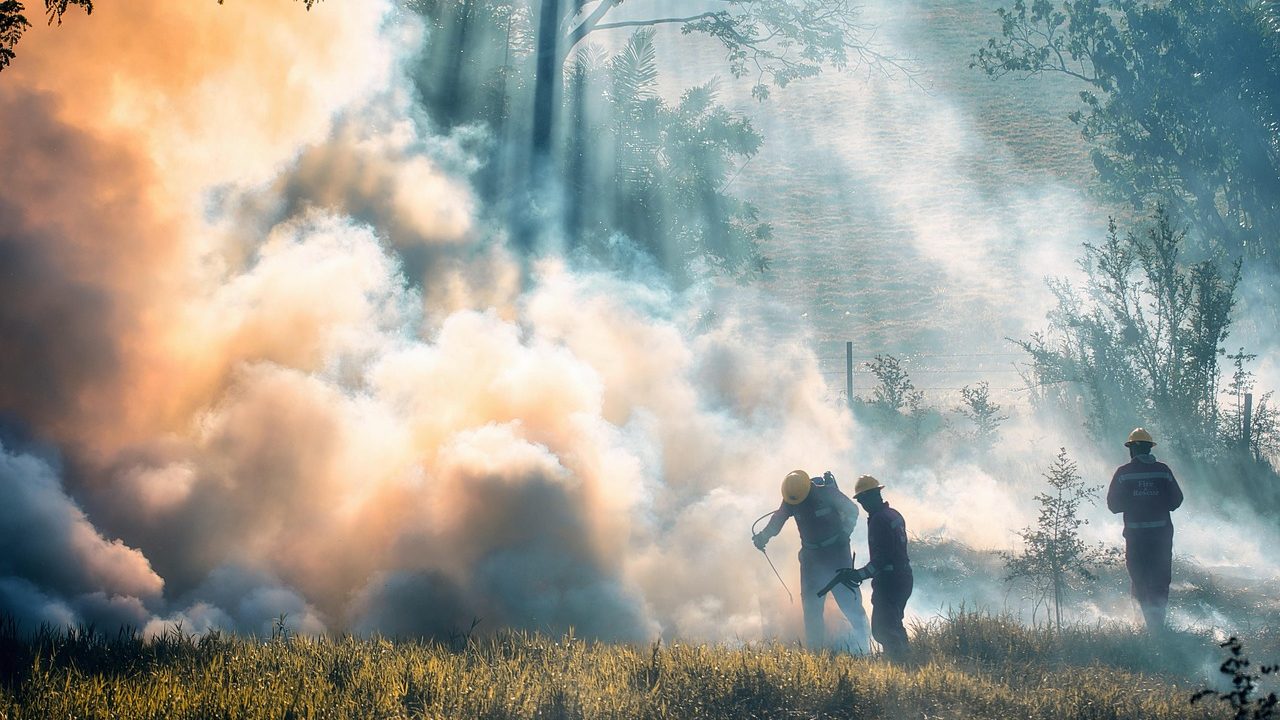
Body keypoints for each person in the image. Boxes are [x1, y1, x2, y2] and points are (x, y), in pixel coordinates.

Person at [753, 470, 870, 652]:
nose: (799, 504)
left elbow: (853, 510)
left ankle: (866, 647)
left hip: (838, 555)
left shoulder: (827, 493)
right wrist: (763, 537)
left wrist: (845, 532)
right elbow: (777, 520)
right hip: (811, 560)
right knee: (811, 608)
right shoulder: (793, 499)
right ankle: (816, 653)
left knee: (850, 603)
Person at [826, 475, 913, 661]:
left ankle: (899, 664)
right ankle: (907, 659)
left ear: (871, 497)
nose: (862, 504)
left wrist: (859, 574)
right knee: (894, 624)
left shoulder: (878, 520)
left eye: (862, 499)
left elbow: (881, 559)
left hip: (889, 582)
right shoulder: (894, 514)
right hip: (903, 577)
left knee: (883, 629)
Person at [1107, 427, 1183, 632]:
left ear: (1131, 450)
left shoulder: (1123, 473)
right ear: (1150, 449)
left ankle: (1141, 624)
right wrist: (1158, 502)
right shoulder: (1163, 471)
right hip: (1161, 537)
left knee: (1139, 578)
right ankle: (1157, 625)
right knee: (1160, 579)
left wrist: (1132, 503)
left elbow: (1113, 505)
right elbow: (1177, 500)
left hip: (1136, 538)